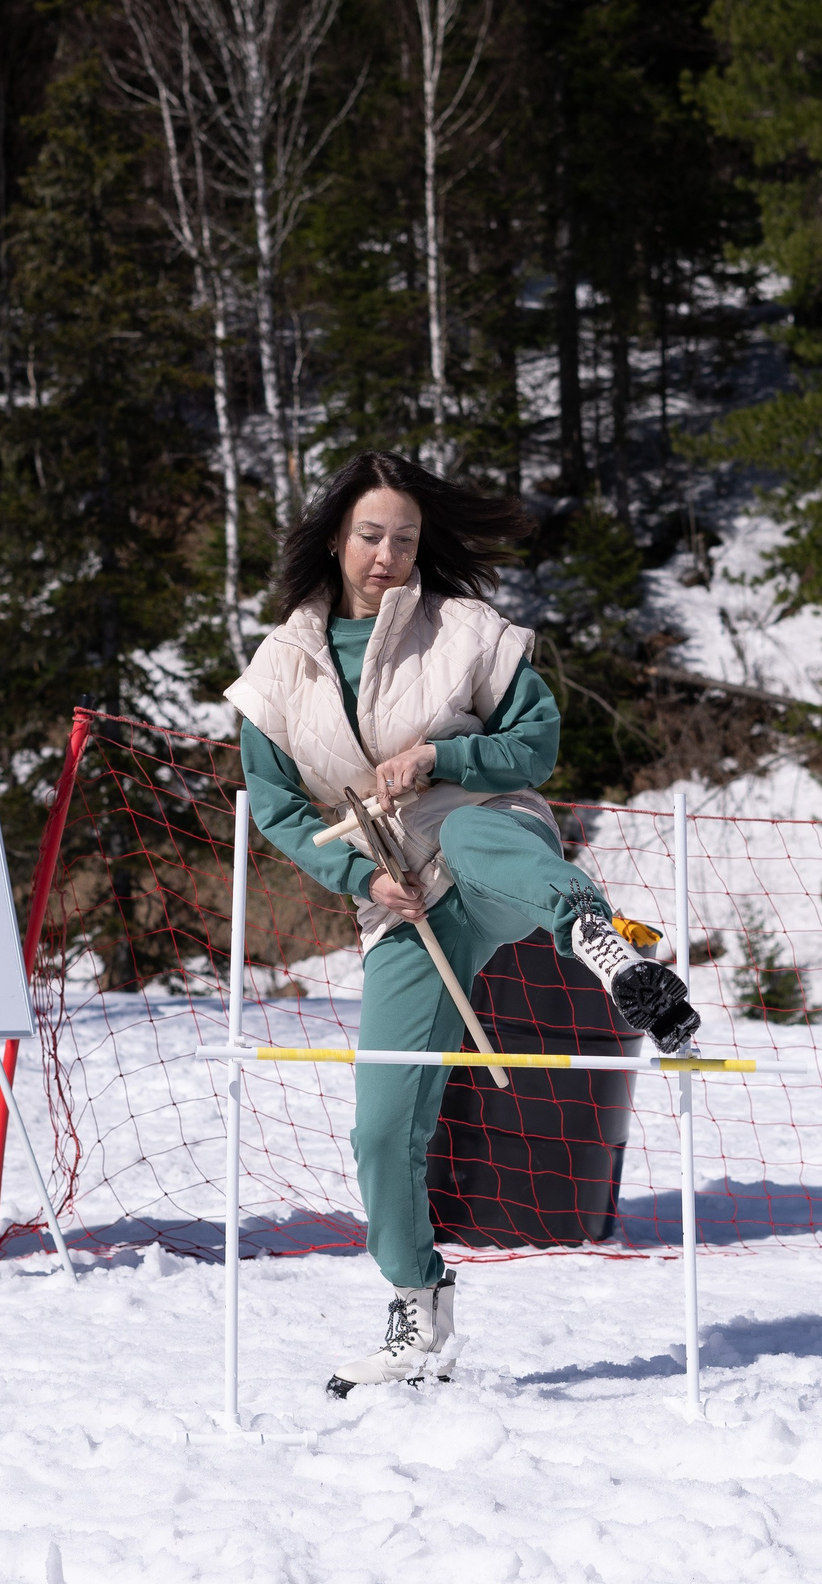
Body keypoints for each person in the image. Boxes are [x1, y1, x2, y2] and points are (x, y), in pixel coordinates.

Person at [224, 451, 701, 1397]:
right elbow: (276, 807)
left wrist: (445, 751)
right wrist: (361, 872)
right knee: (382, 1121)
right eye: (371, 535)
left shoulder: (466, 630)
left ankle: (600, 945)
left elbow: (539, 740)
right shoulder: (276, 672)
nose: (388, 554)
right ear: (335, 539)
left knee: (489, 839)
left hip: (483, 840)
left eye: (405, 538)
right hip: (397, 897)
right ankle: (417, 1306)